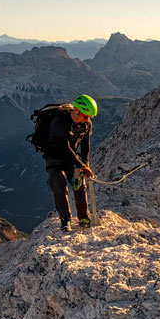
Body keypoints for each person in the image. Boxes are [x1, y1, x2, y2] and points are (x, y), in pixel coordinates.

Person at [43, 94, 97, 231]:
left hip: (71, 158)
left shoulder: (86, 124)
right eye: (85, 116)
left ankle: (84, 218)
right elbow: (65, 147)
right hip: (54, 158)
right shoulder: (59, 122)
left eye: (90, 117)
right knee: (60, 187)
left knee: (79, 185)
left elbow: (85, 145)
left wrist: (86, 163)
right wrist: (81, 165)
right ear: (76, 110)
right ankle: (65, 220)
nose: (88, 119)